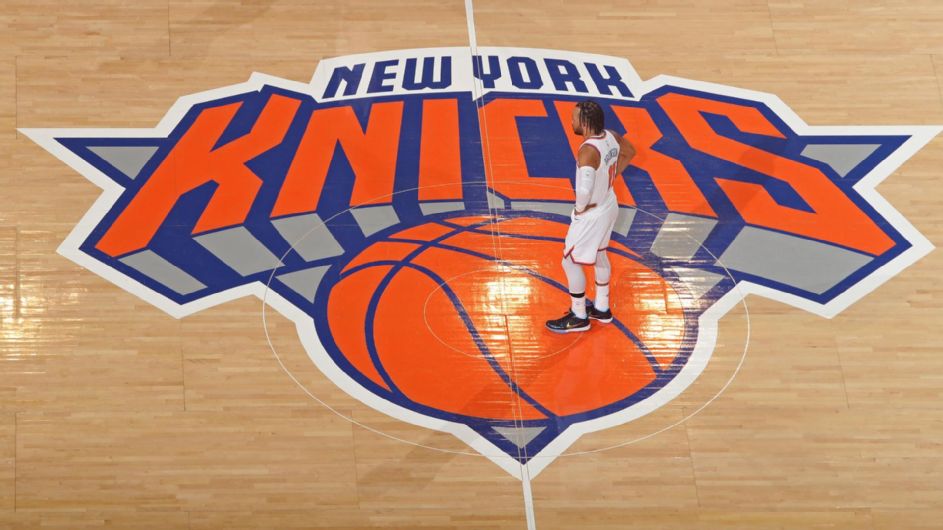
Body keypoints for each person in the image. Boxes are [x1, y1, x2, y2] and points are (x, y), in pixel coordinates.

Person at [545, 99, 635, 333]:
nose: (571, 121)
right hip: (609, 203)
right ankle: (602, 308)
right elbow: (629, 152)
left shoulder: (588, 151)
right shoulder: (611, 136)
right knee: (601, 254)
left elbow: (584, 191)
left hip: (593, 213)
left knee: (569, 260)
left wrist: (579, 210)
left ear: (584, 123)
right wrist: (610, 177)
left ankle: (579, 315)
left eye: (574, 118)